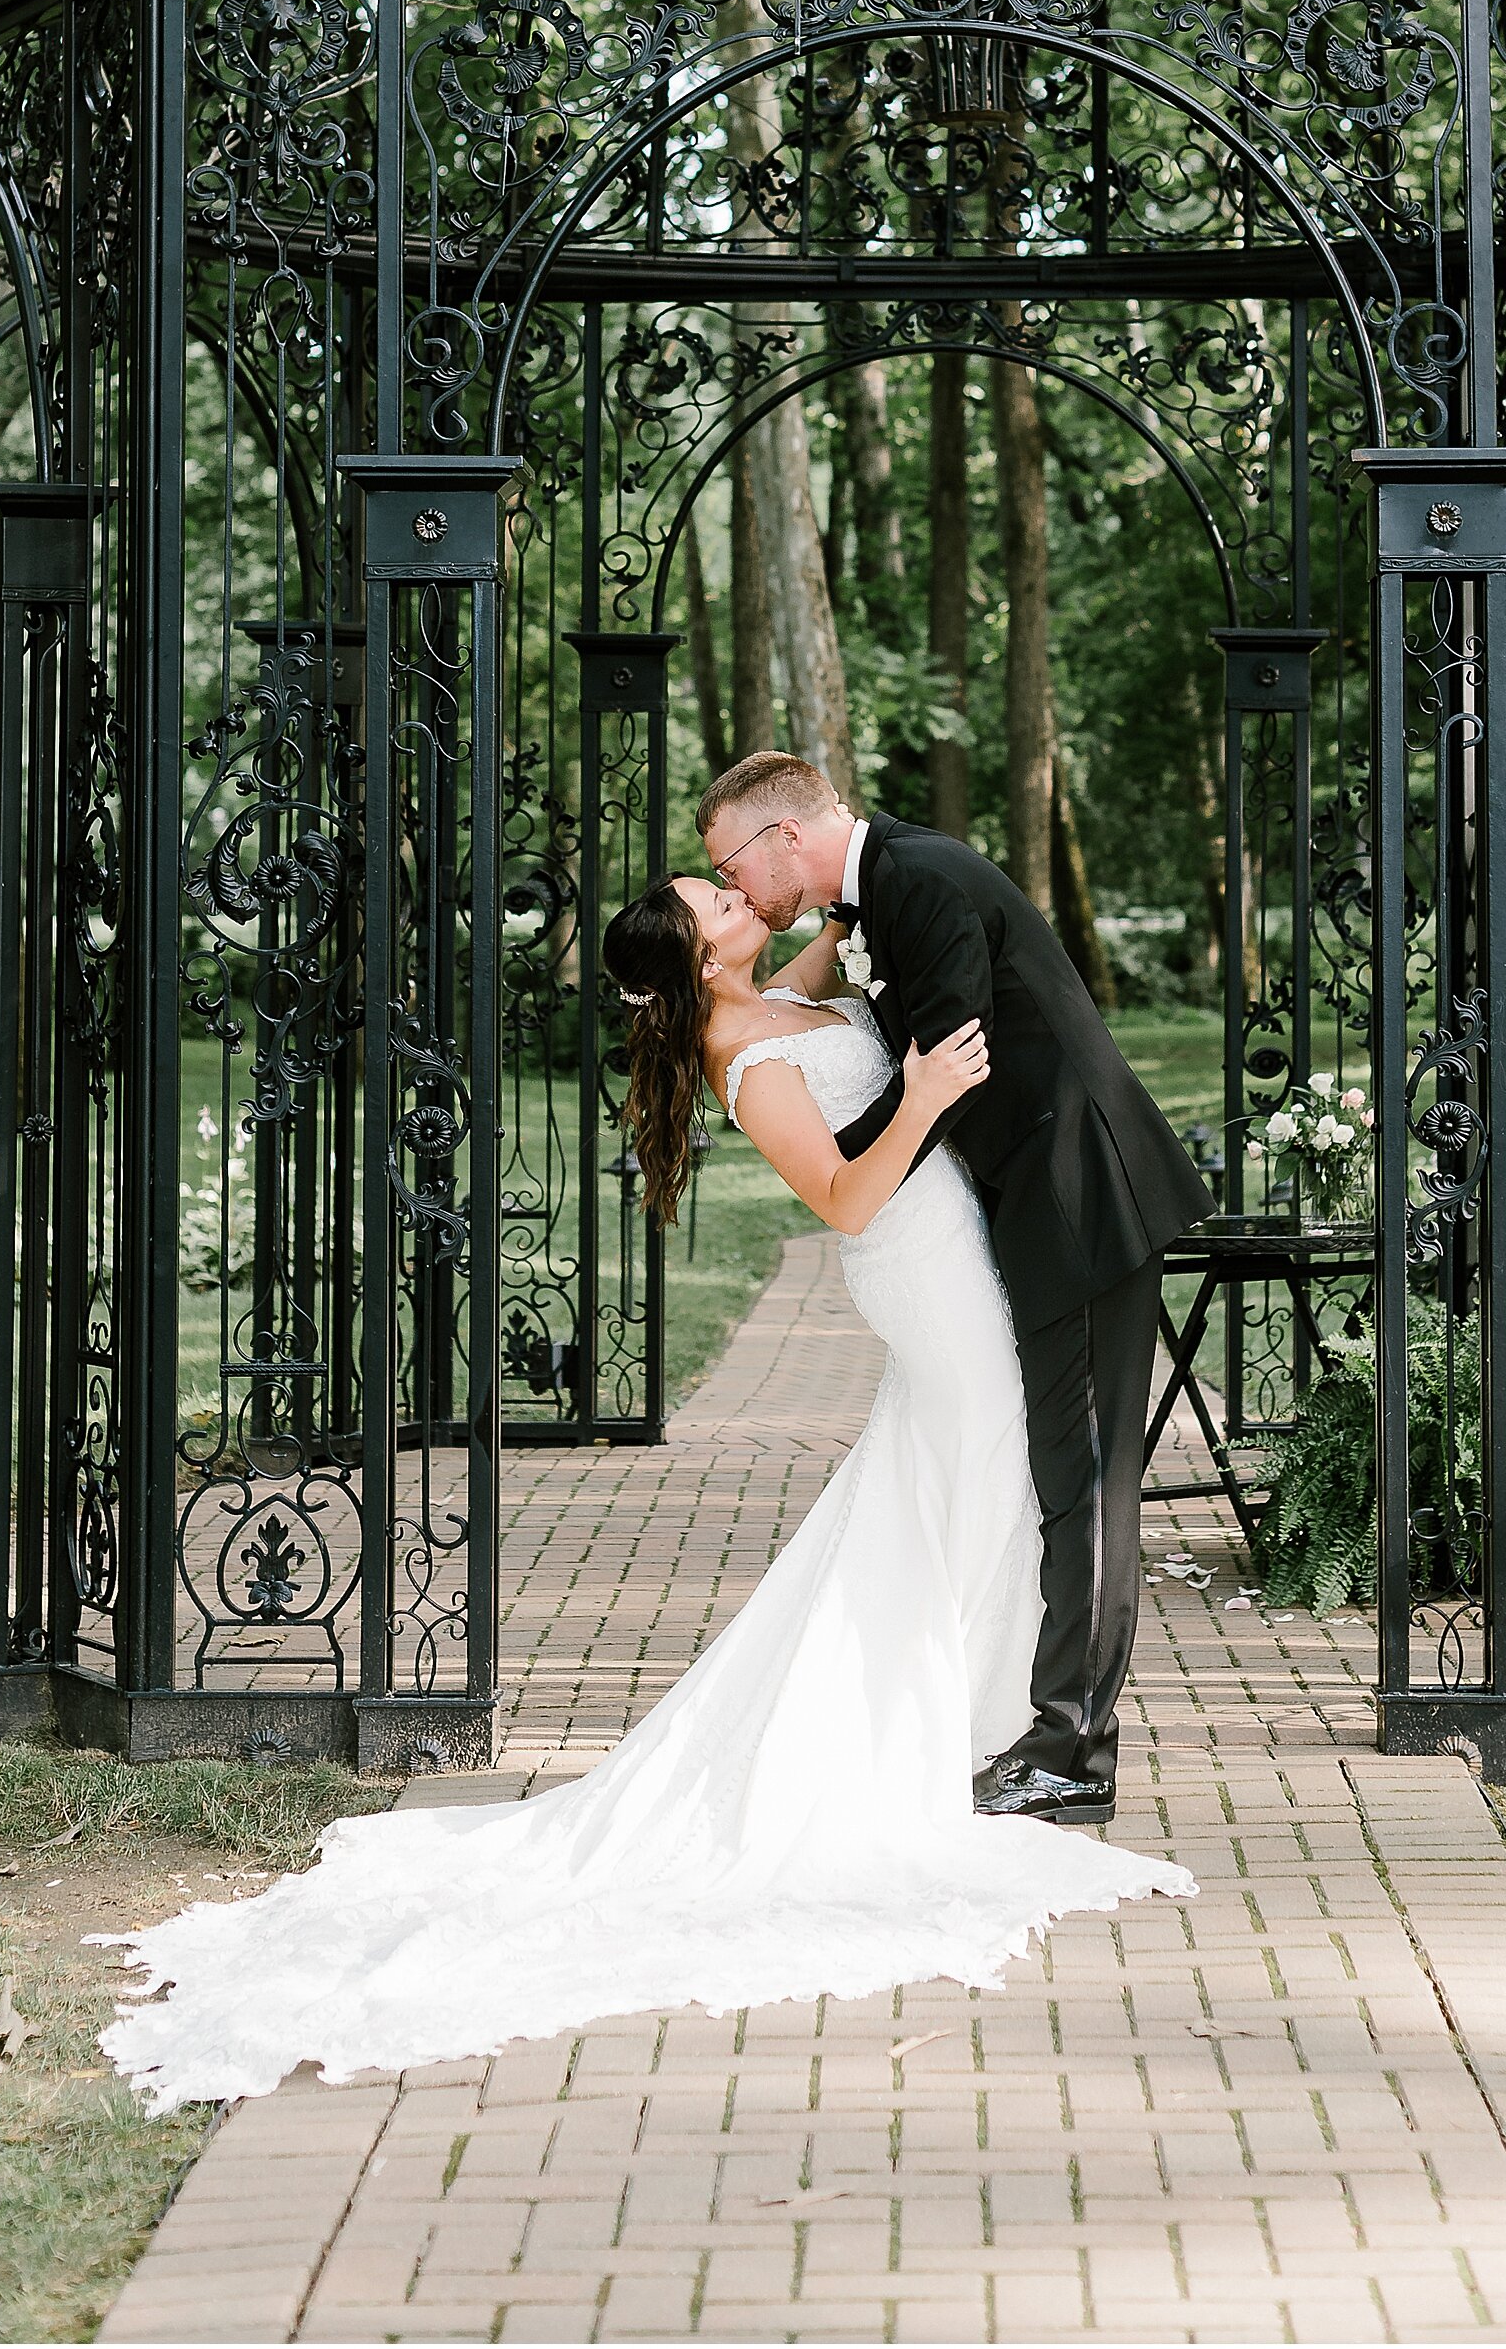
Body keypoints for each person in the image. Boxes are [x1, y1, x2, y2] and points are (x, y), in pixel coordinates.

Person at [98, 856, 1189, 2112]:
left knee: (964, 1474)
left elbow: (831, 947)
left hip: (957, 1245)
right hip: (914, 1259)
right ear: (699, 959)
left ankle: (985, 1709)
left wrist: (843, 891)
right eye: (717, 901)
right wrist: (928, 1087)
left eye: (727, 883)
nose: (736, 899)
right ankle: (967, 1717)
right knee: (980, 1460)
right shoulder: (753, 1059)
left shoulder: (770, 990)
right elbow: (841, 1196)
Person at [697, 754, 1213, 1827]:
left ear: (784, 835)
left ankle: (1072, 1745)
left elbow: (949, 1059)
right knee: (1065, 1472)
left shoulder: (917, 879)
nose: (740, 889)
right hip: (1032, 1207)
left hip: (1081, 1197)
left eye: (732, 863)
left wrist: (855, 1171)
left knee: (1088, 1480)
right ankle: (1056, 1730)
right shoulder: (879, 888)